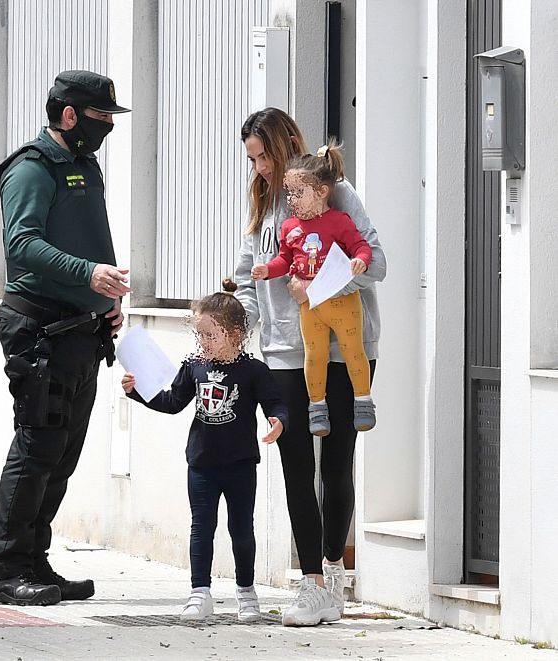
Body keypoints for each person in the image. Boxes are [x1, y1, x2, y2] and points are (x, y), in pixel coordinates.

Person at [233, 108, 386, 627]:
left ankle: (334, 571)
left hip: (344, 348)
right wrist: (234, 331)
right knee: (295, 464)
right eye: (252, 160)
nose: (260, 169)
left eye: (264, 157)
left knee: (336, 462)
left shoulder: (335, 193)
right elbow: (250, 281)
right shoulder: (262, 205)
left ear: (285, 146)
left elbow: (375, 262)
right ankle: (312, 584)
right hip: (283, 351)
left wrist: (317, 288)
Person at [0, 70, 131, 606]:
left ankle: (34, 560)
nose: (107, 126)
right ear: (69, 115)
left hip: (80, 331)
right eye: (100, 117)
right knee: (36, 448)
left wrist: (106, 301)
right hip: (39, 329)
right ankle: (6, 571)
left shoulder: (85, 165)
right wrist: (88, 275)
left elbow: (89, 240)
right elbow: (22, 243)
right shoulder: (32, 167)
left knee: (62, 455)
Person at [121, 279, 287, 622]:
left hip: (240, 464)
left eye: (210, 335)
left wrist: (278, 421)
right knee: (201, 527)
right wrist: (137, 391)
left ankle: (246, 594)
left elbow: (275, 403)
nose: (203, 342)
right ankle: (200, 593)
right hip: (201, 463)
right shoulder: (194, 365)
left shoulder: (253, 370)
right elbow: (172, 402)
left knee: (241, 529)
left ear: (235, 334)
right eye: (199, 335)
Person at [251, 140, 376, 436]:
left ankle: (363, 401)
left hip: (343, 303)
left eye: (298, 193)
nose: (291, 200)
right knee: (314, 354)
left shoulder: (339, 221)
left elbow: (361, 246)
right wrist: (268, 270)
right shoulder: (289, 227)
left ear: (321, 192)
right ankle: (316, 406)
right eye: (289, 192)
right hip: (309, 307)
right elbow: (284, 259)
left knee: (352, 350)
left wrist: (360, 260)